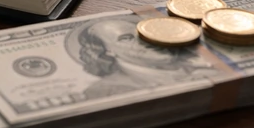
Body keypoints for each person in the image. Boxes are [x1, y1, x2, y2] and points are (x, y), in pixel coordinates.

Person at [75, 17, 216, 99]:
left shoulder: (203, 69)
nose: (145, 39)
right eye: (126, 39)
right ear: (108, 51)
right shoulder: (106, 90)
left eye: (142, 31)